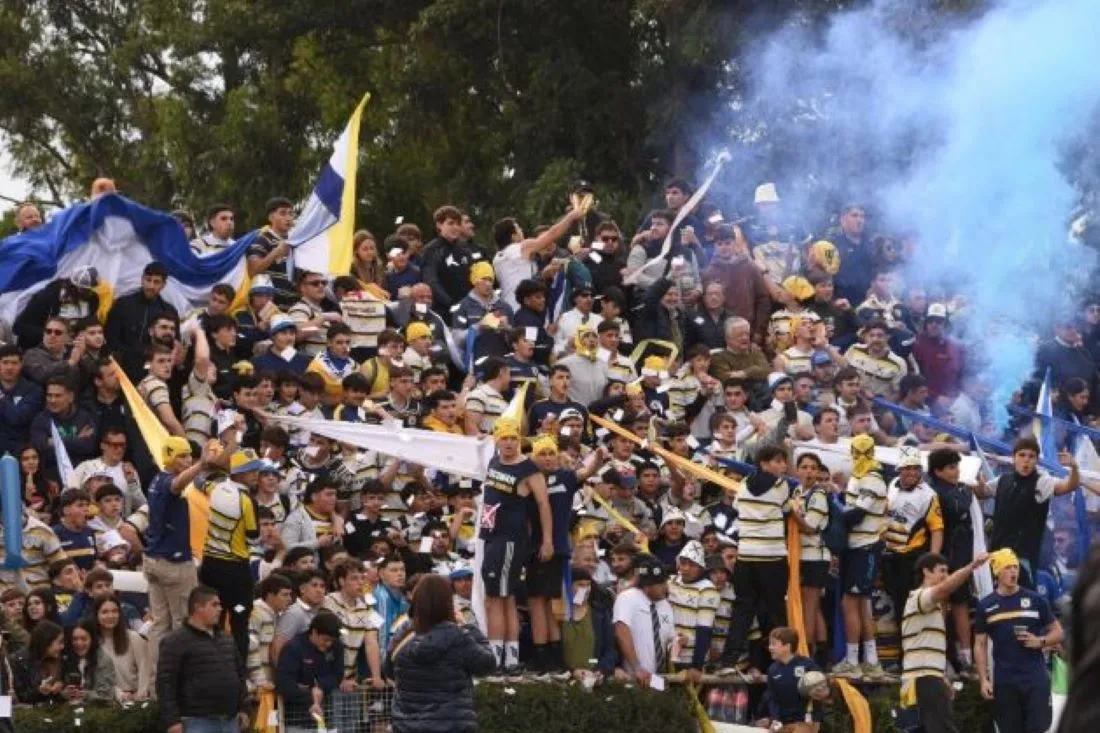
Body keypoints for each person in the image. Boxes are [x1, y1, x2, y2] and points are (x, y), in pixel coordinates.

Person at [480, 418, 553, 672]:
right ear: (497, 440)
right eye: (504, 438)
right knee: (505, 598)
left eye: (514, 438)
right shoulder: (493, 461)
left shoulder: (528, 468)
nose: (509, 442)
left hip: (509, 539)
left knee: (496, 599)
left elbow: (544, 504)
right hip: (491, 536)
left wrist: (547, 540)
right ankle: (510, 659)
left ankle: (495, 659)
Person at [384, 573, 497, 733]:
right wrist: (469, 627)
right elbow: (488, 664)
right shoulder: (457, 636)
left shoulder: (402, 633)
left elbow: (388, 670)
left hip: (406, 725)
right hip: (452, 724)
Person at [978, 437, 1089, 588]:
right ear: (1014, 458)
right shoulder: (1003, 480)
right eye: (1022, 455)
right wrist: (978, 483)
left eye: (1031, 456)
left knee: (1023, 603)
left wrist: (1074, 468)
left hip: (1023, 557)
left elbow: (1069, 485)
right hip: (996, 555)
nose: (1026, 460)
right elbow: (982, 492)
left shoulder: (1042, 482)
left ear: (1036, 460)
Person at [975, 548, 1064, 733]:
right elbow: (980, 644)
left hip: (1035, 678)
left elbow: (1058, 632)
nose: (1013, 571)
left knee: (1038, 728)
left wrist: (1040, 641)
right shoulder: (986, 606)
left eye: (1015, 567)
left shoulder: (1036, 600)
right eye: (1007, 567)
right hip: (1005, 680)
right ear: (997, 571)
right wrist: (983, 679)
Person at [900, 552, 989, 733]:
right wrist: (971, 567)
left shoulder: (932, 605)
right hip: (924, 679)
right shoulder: (919, 596)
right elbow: (945, 588)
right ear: (926, 572)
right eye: (942, 571)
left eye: (948, 572)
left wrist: (941, 677)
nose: (946, 576)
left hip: (922, 678)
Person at [143, 437, 210, 667]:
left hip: (154, 559)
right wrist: (201, 464)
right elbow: (177, 485)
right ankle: (179, 678)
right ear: (169, 455)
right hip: (173, 563)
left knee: (160, 624)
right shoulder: (167, 482)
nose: (187, 460)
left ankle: (154, 684)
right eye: (182, 455)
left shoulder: (155, 480)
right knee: (183, 623)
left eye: (189, 455)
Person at [157, 585, 251, 733]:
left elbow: (239, 676)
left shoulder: (226, 639)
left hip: (231, 720)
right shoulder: (175, 641)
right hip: (196, 722)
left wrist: (244, 708)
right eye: (214, 604)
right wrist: (172, 721)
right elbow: (166, 684)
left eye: (219, 604)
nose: (220, 609)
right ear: (198, 607)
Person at [835, 434, 889, 679]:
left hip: (865, 547)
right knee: (861, 605)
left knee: (850, 604)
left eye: (859, 452)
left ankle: (852, 660)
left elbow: (856, 514)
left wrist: (831, 508)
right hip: (855, 547)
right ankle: (871, 661)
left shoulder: (873, 479)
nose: (856, 457)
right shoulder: (858, 479)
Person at [882, 448, 944, 628]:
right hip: (888, 554)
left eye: (916, 468)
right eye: (907, 467)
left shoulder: (929, 495)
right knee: (894, 602)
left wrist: (933, 561)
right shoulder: (892, 484)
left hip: (911, 558)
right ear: (899, 469)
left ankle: (910, 649)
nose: (911, 472)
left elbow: (937, 529)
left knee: (908, 605)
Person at [275, 611, 345, 733]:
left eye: (332, 640)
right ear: (314, 632)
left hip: (327, 716)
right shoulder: (294, 647)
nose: (328, 644)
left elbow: (337, 675)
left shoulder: (337, 646)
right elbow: (284, 682)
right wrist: (310, 698)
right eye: (325, 639)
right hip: (298, 719)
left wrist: (320, 686)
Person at [612, 554, 675, 687]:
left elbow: (668, 639)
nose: (666, 587)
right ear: (647, 586)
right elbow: (622, 631)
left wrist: (678, 641)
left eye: (666, 581)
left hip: (658, 679)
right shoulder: (628, 598)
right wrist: (637, 667)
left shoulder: (665, 604)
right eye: (661, 584)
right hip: (632, 678)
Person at [759, 627, 828, 733]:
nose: (770, 648)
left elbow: (822, 687)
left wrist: (823, 692)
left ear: (787, 646)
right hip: (783, 723)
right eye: (769, 644)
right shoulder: (772, 670)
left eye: (773, 644)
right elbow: (773, 698)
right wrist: (774, 719)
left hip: (805, 721)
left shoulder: (807, 665)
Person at [93, 594, 150, 701]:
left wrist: (140, 695)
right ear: (96, 615)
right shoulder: (93, 642)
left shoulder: (133, 638)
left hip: (135, 698)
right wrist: (118, 694)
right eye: (105, 612)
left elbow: (144, 669)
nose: (111, 616)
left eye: (114, 611)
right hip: (106, 699)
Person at [0, 345, 44, 458]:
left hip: (20, 454)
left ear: (21, 365)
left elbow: (18, 418)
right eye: (5, 362)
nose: (9, 367)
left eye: (14, 363)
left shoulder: (33, 390)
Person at [10, 619, 67, 705]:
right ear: (47, 641)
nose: (62, 647)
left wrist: (59, 689)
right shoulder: (18, 662)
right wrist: (39, 691)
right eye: (59, 642)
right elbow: (19, 697)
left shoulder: (57, 660)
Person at [61, 618, 117, 704]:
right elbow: (60, 691)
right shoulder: (67, 659)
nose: (79, 643)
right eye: (75, 639)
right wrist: (65, 693)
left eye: (84, 639)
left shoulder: (104, 661)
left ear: (92, 640)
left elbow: (106, 696)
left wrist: (84, 695)